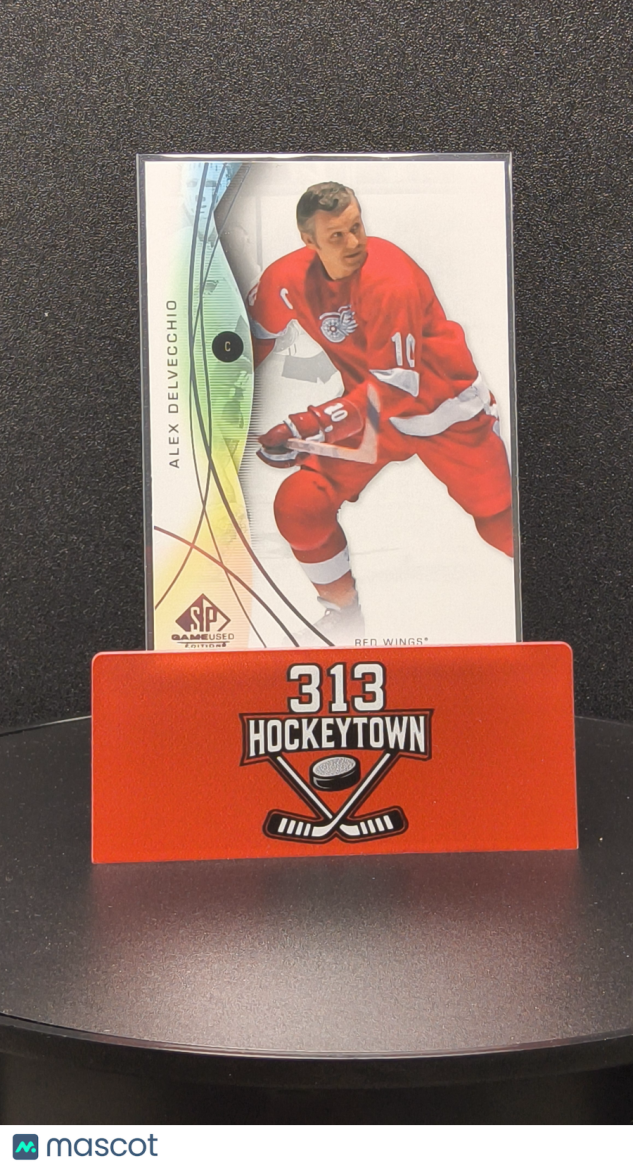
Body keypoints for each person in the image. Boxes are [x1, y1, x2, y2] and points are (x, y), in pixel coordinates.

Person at [249, 181, 513, 642]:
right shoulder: (285, 279)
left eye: (357, 226)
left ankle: (574, 592)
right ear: (308, 240)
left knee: (500, 525)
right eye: (337, 235)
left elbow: (397, 389)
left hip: (444, 412)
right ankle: (344, 618)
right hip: (370, 415)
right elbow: (253, 338)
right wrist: (208, 393)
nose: (354, 242)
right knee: (300, 505)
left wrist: (310, 424)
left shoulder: (390, 277)